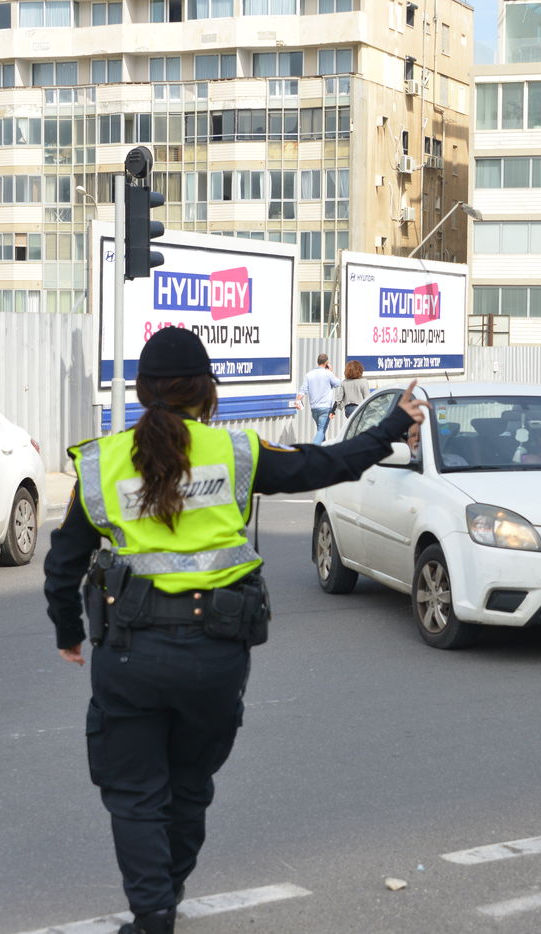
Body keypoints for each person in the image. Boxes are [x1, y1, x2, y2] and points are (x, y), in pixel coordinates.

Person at [43, 327, 427, 934]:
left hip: (129, 657)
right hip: (215, 653)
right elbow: (322, 465)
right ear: (207, 392)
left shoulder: (99, 464)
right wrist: (388, 428)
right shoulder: (238, 453)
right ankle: (164, 897)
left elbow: (63, 564)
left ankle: (153, 915)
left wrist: (67, 630)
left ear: (143, 393)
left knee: (136, 794)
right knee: (190, 787)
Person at [296, 353, 341, 444]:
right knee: (321, 431)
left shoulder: (309, 374)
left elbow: (303, 390)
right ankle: (312, 450)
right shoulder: (328, 374)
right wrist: (331, 371)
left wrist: (297, 400)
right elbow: (338, 383)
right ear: (327, 363)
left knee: (321, 431)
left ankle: (321, 453)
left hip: (314, 409)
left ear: (318, 362)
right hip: (325, 408)